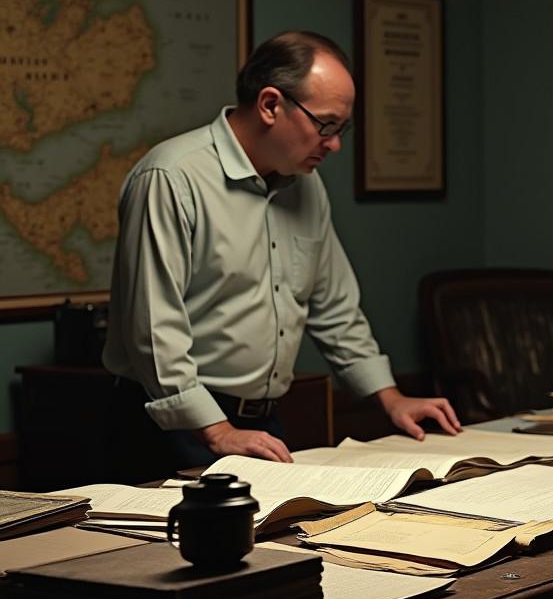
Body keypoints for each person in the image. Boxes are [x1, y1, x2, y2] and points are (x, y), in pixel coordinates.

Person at [103, 30, 460, 475]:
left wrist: (390, 397)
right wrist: (216, 429)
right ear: (271, 105)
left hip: (259, 425)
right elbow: (154, 330)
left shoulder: (307, 187)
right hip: (172, 430)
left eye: (341, 128)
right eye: (326, 125)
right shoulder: (171, 177)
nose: (335, 145)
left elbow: (335, 310)